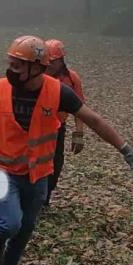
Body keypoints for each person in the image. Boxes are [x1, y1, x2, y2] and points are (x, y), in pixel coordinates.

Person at [0, 35, 133, 265]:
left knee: (27, 227)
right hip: (5, 171)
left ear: (37, 67)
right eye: (10, 63)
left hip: (38, 174)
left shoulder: (58, 91)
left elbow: (94, 120)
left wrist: (124, 147)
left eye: (18, 65)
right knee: (11, 223)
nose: (11, 69)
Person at [43, 39, 86, 206]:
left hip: (59, 127)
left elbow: (79, 108)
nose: (49, 65)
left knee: (56, 163)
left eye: (52, 62)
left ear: (61, 61)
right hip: (38, 127)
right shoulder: (39, 76)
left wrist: (79, 134)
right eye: (47, 61)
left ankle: (46, 197)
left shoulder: (72, 79)